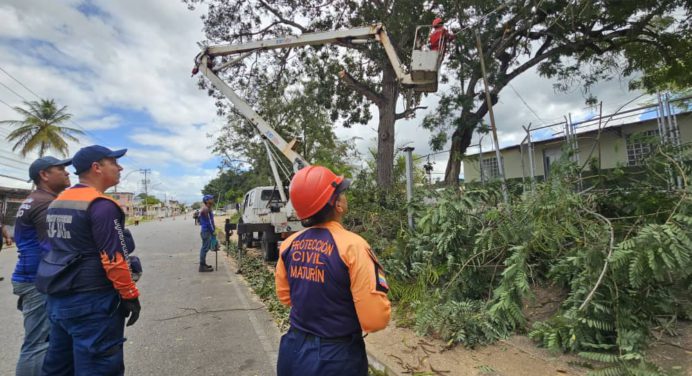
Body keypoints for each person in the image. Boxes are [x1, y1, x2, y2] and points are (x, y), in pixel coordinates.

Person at [275, 166, 391, 376]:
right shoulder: (354, 247)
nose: (345, 197)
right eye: (342, 193)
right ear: (337, 204)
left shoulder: (289, 244)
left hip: (292, 350)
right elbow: (374, 320)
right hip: (336, 358)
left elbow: (285, 297)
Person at [35, 145, 141, 375]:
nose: (120, 167)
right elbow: (114, 259)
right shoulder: (100, 205)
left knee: (59, 367)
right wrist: (130, 295)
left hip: (57, 300)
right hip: (92, 303)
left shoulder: (59, 202)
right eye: (114, 162)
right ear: (97, 167)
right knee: (99, 366)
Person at [12, 156, 72, 376]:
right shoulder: (46, 203)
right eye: (60, 169)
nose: (67, 172)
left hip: (30, 276)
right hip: (36, 280)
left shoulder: (33, 199)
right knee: (37, 344)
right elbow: (53, 247)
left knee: (44, 340)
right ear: (44, 175)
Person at [198, 194, 216, 272]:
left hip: (206, 230)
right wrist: (212, 231)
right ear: (207, 201)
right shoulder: (205, 209)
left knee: (205, 247)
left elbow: (211, 220)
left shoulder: (208, 208)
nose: (213, 200)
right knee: (205, 248)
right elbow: (208, 222)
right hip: (206, 231)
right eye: (211, 199)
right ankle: (202, 266)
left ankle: (203, 264)